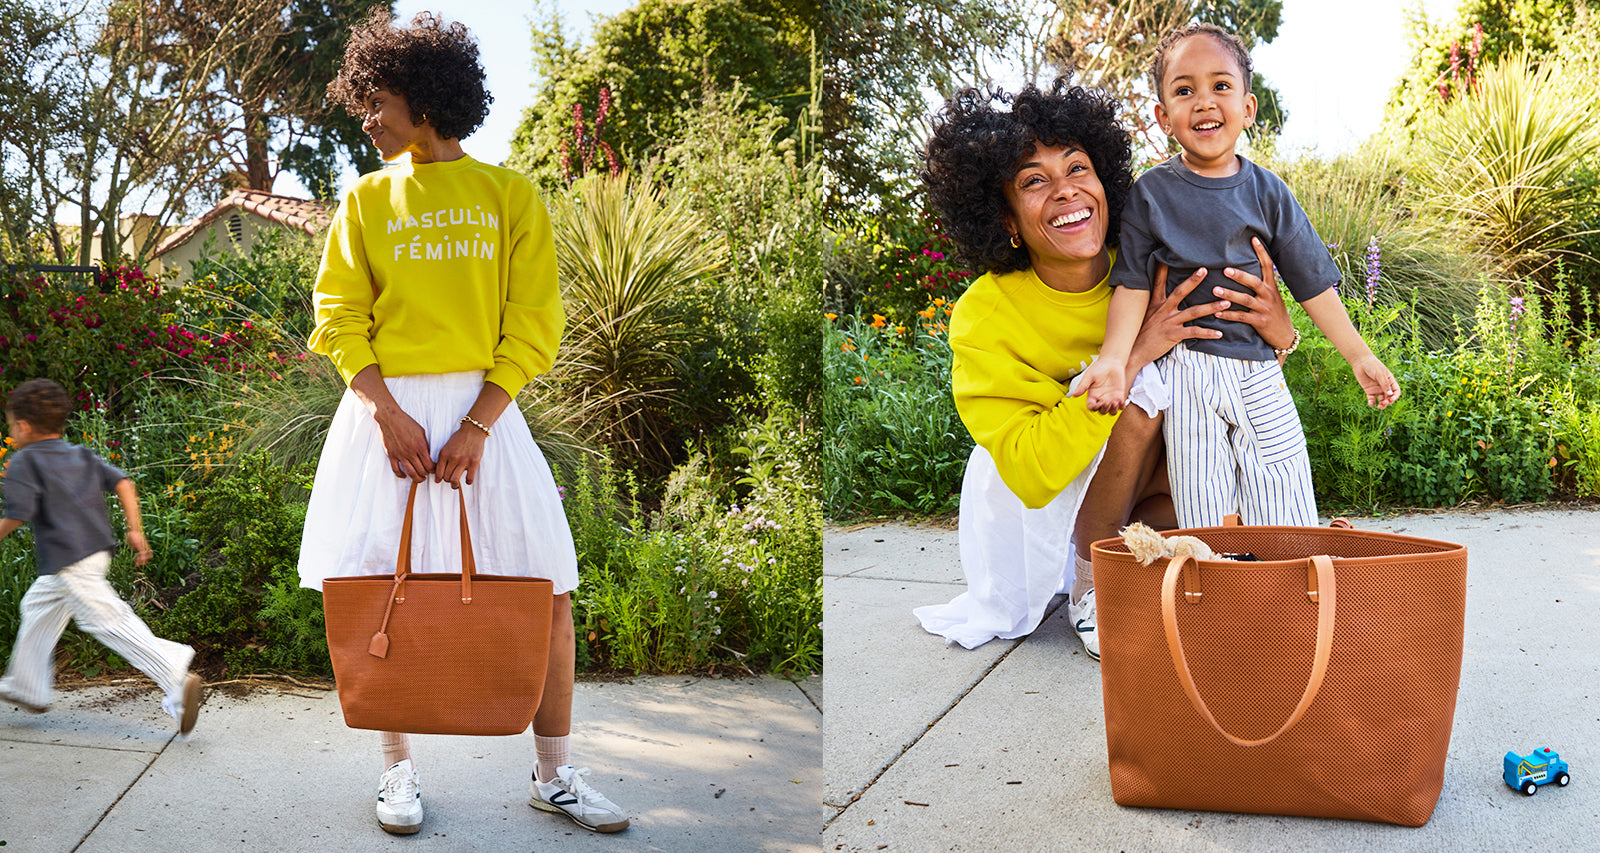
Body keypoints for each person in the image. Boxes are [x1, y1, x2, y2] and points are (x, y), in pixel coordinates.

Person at [299, 10, 627, 836]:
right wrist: (386, 412)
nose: (365, 118)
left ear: (427, 96)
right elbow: (338, 314)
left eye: (376, 100)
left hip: (488, 421)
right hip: (387, 422)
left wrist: (479, 423)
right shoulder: (366, 199)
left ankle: (554, 774)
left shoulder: (509, 193)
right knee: (385, 592)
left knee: (550, 591)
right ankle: (396, 772)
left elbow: (533, 322)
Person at [911, 79, 1299, 657]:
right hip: (1040, 501)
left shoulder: (1148, 261)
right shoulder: (983, 315)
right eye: (1035, 182)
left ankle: (1163, 565)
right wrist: (1134, 353)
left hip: (1142, 481)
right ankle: (1092, 588)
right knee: (1142, 393)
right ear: (1007, 220)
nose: (1066, 192)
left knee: (1210, 439)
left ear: (1105, 182)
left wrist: (1280, 331)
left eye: (1078, 169)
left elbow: (1234, 369)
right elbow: (1031, 470)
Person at [1078, 23, 1401, 527]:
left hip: (1257, 373)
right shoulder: (1151, 194)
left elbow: (1312, 283)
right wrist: (1115, 360)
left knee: (1284, 496)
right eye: (1184, 90)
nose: (1204, 102)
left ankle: (1293, 599)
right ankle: (1221, 604)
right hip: (1186, 377)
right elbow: (1133, 287)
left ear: (1248, 109)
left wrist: (1359, 355)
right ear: (1164, 117)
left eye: (1220, 86)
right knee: (1205, 515)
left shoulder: (1269, 193)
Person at [0, 378, 202, 733]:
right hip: (91, 553)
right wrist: (135, 529)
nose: (12, 433)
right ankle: (27, 685)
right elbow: (124, 482)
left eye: (12, 425)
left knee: (108, 621)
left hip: (69, 559)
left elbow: (17, 514)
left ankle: (174, 674)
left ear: (24, 425)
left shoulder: (24, 460)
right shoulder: (78, 453)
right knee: (37, 607)